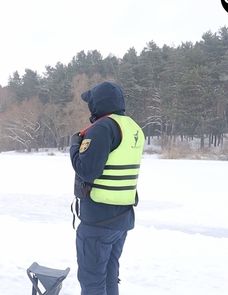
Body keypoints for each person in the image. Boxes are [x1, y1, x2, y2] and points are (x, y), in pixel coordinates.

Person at [69, 81, 145, 295]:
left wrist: (74, 147)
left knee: (92, 280)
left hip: (98, 221)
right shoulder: (132, 127)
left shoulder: (102, 128)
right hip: (122, 218)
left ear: (97, 104)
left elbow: (87, 170)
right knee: (110, 276)